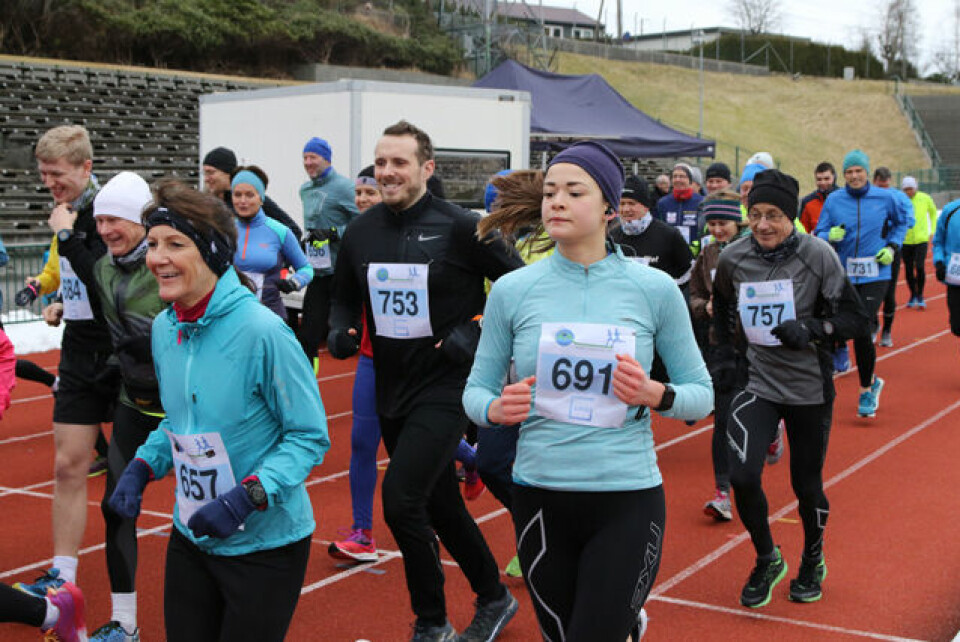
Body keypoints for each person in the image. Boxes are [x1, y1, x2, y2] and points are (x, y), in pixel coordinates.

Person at [463, 141, 713, 641]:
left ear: (608, 209)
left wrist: (654, 393)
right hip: (540, 496)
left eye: (574, 192)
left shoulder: (655, 290)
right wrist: (496, 408)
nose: (556, 201)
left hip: (626, 497)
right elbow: (475, 392)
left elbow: (702, 395)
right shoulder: (513, 290)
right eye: (550, 192)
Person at [108, 180, 330, 642]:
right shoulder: (165, 329)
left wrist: (246, 497)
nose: (158, 257)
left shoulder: (263, 331)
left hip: (265, 545)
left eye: (175, 244)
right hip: (192, 534)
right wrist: (143, 466)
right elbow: (181, 421)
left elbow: (308, 436)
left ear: (212, 252)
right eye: (153, 244)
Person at [328, 120, 523, 642]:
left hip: (448, 384)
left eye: (399, 162)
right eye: (380, 163)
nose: (387, 172)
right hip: (393, 386)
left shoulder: (461, 226)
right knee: (439, 503)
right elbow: (343, 296)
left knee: (401, 500)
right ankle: (494, 596)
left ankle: (432, 622)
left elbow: (520, 287)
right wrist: (340, 330)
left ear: (426, 168)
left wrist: (474, 331)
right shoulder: (361, 231)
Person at [712, 169, 869, 608]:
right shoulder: (734, 257)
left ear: (792, 217)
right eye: (755, 215)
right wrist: (722, 354)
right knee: (742, 476)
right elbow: (721, 303)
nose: (762, 225)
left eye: (774, 216)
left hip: (808, 388)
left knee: (806, 485)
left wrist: (814, 328)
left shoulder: (818, 256)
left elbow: (857, 320)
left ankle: (813, 559)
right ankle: (767, 557)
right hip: (758, 381)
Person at [59, 171, 166, 641]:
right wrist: (117, 364)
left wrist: (158, 345)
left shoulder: (169, 261)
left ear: (141, 220)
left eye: (114, 220)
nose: (104, 230)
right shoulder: (104, 268)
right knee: (117, 506)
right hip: (135, 401)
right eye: (99, 220)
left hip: (189, 408)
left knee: (207, 512)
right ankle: (125, 623)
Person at [15, 125, 120, 601]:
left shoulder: (109, 211)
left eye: (56, 173)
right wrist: (61, 300)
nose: (49, 183)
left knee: (133, 473)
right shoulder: (67, 212)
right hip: (78, 350)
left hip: (122, 353)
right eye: (43, 174)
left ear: (85, 167)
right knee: (67, 466)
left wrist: (66, 231)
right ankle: (62, 575)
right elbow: (73, 275)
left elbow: (107, 279)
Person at [814, 150, 911, 417]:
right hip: (844, 273)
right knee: (845, 326)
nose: (854, 176)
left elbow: (902, 222)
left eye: (858, 171)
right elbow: (819, 231)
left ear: (866, 172)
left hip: (876, 272)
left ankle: (866, 389)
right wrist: (829, 235)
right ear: (843, 175)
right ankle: (871, 381)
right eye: (849, 172)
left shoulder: (886, 197)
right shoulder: (834, 200)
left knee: (863, 325)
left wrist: (892, 246)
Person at [688, 191, 749, 522]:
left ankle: (774, 430)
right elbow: (695, 294)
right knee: (723, 419)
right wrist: (705, 307)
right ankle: (722, 492)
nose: (717, 229)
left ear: (738, 222)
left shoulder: (754, 250)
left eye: (723, 223)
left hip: (757, 347)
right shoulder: (708, 253)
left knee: (754, 415)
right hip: (721, 344)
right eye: (711, 224)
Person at [298, 137, 359, 370]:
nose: (308, 162)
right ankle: (309, 380)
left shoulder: (344, 187)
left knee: (346, 336)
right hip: (318, 273)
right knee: (308, 336)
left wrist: (334, 233)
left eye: (313, 157)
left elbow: (363, 221)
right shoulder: (305, 190)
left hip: (342, 273)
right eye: (305, 157)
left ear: (326, 159)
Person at [231, 165, 313, 319]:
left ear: (261, 198)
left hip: (269, 315)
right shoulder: (223, 230)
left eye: (249, 195)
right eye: (237, 195)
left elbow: (306, 268)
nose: (242, 201)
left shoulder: (279, 231)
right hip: (232, 315)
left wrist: (294, 283)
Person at [610, 174, 695, 289]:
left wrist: (669, 291)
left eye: (631, 203)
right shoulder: (612, 236)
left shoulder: (669, 235)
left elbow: (688, 271)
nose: (626, 209)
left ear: (645, 207)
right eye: (622, 203)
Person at [201, 146, 302, 239]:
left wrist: (267, 248)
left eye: (211, 172)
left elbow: (294, 231)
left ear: (227, 173)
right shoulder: (206, 204)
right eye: (205, 173)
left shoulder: (256, 200)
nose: (206, 179)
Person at [872, 166, 914, 347]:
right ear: (874, 182)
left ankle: (887, 331)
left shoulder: (900, 198)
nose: (883, 191)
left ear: (890, 183)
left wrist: (888, 222)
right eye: (879, 187)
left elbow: (910, 221)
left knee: (889, 293)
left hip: (891, 251)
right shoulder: (867, 197)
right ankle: (874, 325)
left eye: (886, 187)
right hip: (870, 250)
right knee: (869, 292)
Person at [901, 176, 938, 309]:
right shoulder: (900, 200)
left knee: (920, 266)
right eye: (906, 189)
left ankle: (920, 295)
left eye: (910, 189)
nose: (908, 192)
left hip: (921, 239)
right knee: (908, 269)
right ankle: (913, 294)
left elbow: (933, 213)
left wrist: (932, 231)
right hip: (905, 240)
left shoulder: (925, 198)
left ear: (915, 188)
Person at [655, 163, 705, 253]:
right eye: (675, 176)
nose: (678, 179)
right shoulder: (663, 202)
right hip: (670, 251)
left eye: (682, 176)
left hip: (694, 251)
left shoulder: (701, 202)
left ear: (690, 180)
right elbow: (659, 228)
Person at [933, 198, 960, 341]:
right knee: (957, 327)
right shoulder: (950, 210)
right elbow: (938, 242)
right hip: (956, 279)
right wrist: (939, 262)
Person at [799, 162, 838, 234]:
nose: (823, 182)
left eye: (827, 179)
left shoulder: (845, 198)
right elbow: (803, 233)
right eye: (819, 179)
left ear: (834, 178)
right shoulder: (808, 202)